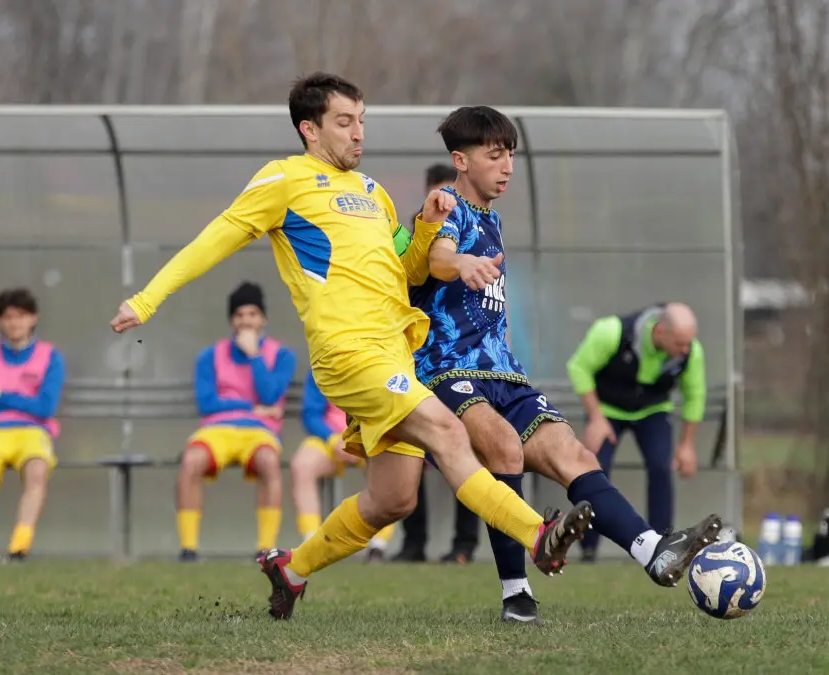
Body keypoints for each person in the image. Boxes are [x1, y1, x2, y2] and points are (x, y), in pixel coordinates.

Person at [109, 73, 591, 620]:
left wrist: (428, 228)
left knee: (394, 499)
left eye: (362, 121)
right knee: (447, 430)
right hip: (348, 354)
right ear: (309, 130)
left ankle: (290, 571)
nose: (358, 134)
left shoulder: (372, 192)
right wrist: (146, 301)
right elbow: (213, 239)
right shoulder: (283, 180)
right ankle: (537, 534)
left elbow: (405, 274)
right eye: (344, 122)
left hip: (395, 354)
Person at [407, 105, 721, 625]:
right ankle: (517, 593)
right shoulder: (447, 209)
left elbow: (490, 306)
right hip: (446, 371)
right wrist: (460, 262)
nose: (507, 165)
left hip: (503, 374)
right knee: (503, 447)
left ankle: (652, 551)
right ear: (460, 160)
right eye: (494, 155)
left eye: (510, 154)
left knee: (573, 453)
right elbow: (438, 257)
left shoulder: (493, 219)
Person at [393, 162, 484, 565]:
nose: (446, 204)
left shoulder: (475, 240)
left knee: (467, 450)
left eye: (452, 196)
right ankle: (413, 544)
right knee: (413, 455)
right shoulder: (411, 239)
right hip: (415, 360)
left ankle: (464, 547)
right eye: (438, 197)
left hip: (460, 362)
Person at [567, 302, 708, 562]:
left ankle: (662, 547)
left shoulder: (690, 351)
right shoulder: (611, 332)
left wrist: (687, 445)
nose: (685, 350)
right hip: (607, 409)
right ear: (660, 332)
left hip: (652, 410)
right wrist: (596, 418)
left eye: (688, 344)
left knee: (660, 466)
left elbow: (695, 396)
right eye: (679, 343)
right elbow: (578, 367)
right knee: (595, 470)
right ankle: (588, 548)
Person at [177, 282, 296, 561]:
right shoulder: (209, 356)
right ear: (231, 320)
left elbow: (271, 393)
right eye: (240, 315)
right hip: (217, 429)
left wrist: (254, 355)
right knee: (191, 461)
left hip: (260, 433)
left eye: (252, 314)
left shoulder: (282, 356)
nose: (246, 321)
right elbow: (207, 402)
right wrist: (253, 407)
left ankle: (265, 548)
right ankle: (188, 548)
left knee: (269, 462)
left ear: (263, 318)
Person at [0, 287, 66, 561]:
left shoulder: (50, 356)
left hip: (33, 431)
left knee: (37, 470)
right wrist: (21, 400)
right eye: (8, 317)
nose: (14, 323)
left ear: (33, 318)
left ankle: (20, 546)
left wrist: (1, 396)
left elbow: (46, 406)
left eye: (21, 316)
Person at [289, 368, 397, 562]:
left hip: (370, 437)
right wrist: (332, 439)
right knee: (301, 465)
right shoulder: (322, 364)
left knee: (390, 470)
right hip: (330, 438)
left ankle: (378, 547)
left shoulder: (379, 362)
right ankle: (311, 544)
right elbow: (311, 414)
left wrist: (362, 438)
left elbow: (388, 410)